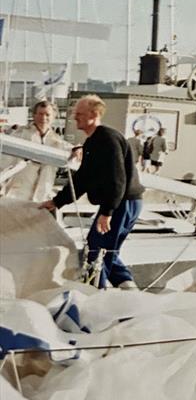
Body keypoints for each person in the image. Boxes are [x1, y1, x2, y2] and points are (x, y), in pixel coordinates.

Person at [40, 95, 144, 290]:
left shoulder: (107, 140)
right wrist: (57, 202)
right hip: (123, 201)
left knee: (97, 251)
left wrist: (107, 212)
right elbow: (82, 179)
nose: (74, 117)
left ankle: (97, 295)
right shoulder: (93, 142)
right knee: (104, 249)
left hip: (123, 201)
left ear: (94, 115)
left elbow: (117, 178)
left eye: (79, 114)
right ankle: (130, 289)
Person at [2, 100, 74, 201]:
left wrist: (78, 149)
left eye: (47, 114)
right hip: (18, 192)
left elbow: (71, 151)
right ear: (34, 115)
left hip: (42, 194)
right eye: (40, 114)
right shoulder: (20, 135)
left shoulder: (56, 141)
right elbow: (4, 162)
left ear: (53, 117)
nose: (43, 118)